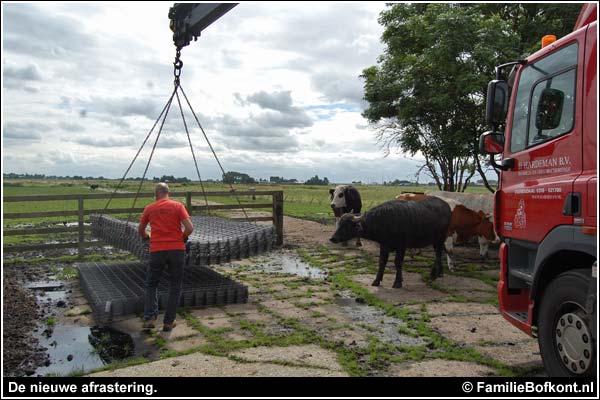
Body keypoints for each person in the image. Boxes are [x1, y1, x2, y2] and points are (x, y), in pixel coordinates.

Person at [138, 182, 194, 332]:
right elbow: (190, 228)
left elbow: (141, 230)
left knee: (151, 284)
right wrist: (181, 238)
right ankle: (169, 322)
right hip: (177, 251)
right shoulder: (177, 206)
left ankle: (150, 318)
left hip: (157, 251)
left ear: (156, 194)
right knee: (175, 285)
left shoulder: (150, 208)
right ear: (168, 193)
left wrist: (146, 236)